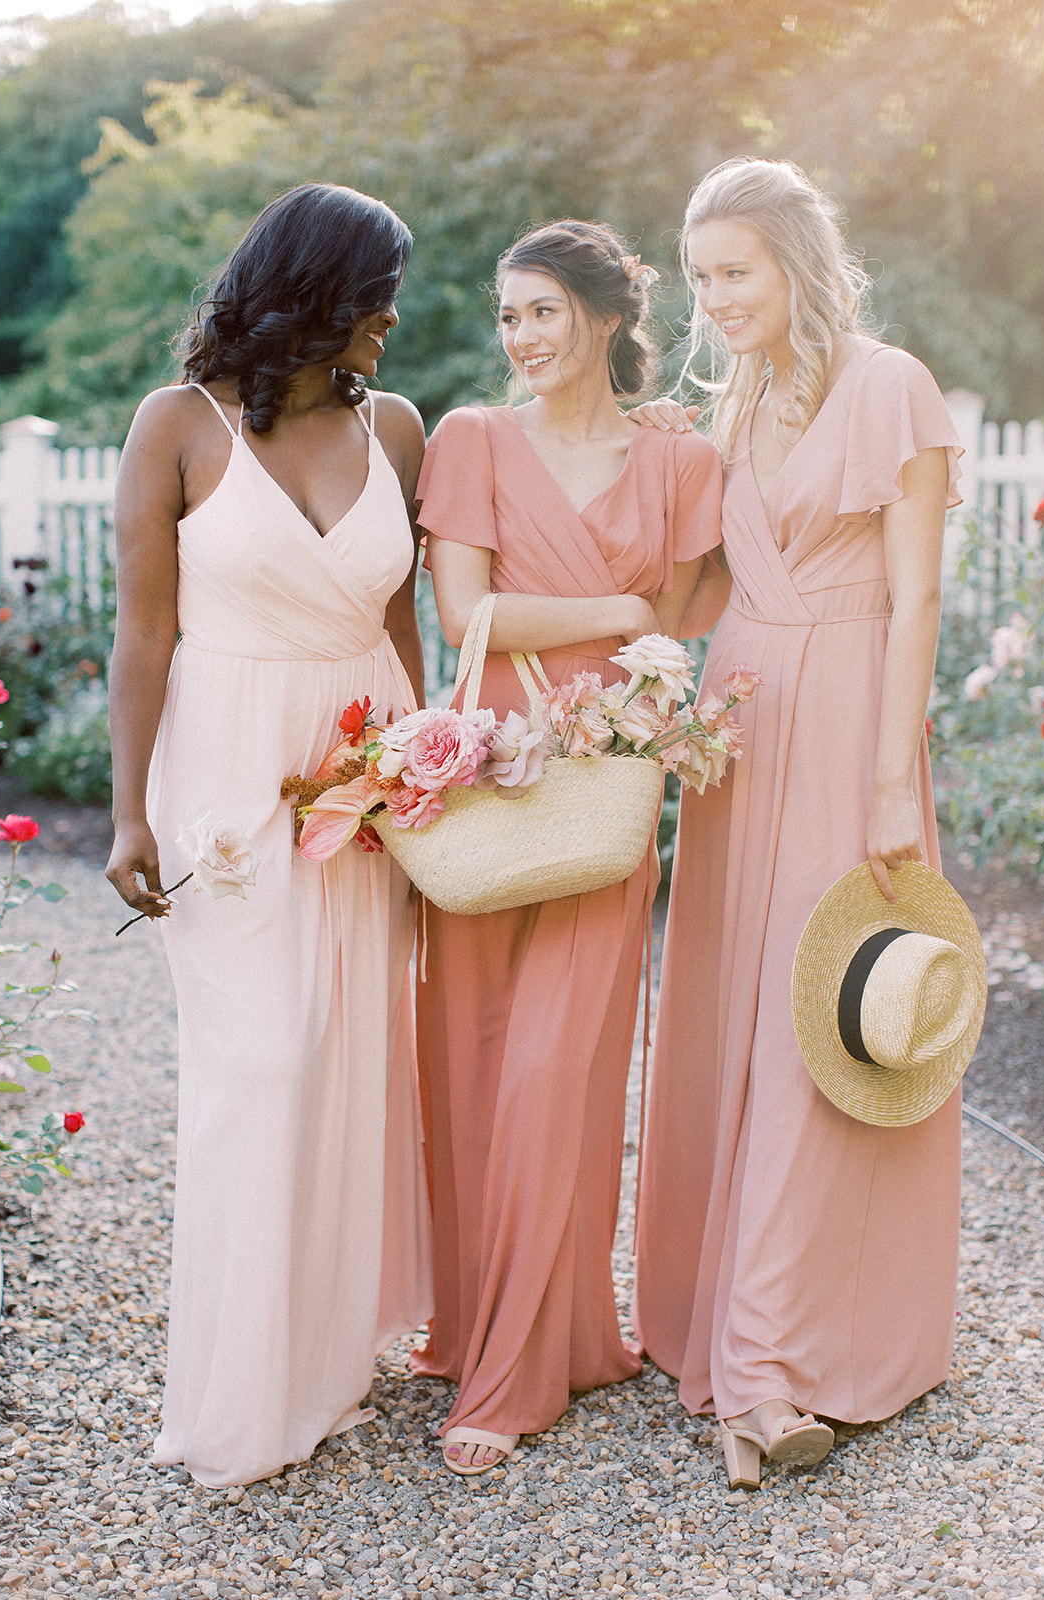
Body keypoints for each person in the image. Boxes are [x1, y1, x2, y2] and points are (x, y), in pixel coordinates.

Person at [631, 157, 964, 1487]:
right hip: (741, 717)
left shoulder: (892, 384)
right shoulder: (737, 398)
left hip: (846, 729)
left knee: (816, 1028)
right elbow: (702, 586)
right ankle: (722, 1312)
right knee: (732, 1015)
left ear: (796, 264)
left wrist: (892, 781)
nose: (716, 301)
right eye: (702, 277)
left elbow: (918, 602)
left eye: (736, 273)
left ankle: (769, 1367)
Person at [105, 183, 432, 1488]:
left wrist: (432, 763)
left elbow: (404, 619)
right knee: (267, 1063)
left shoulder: (397, 426)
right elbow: (143, 633)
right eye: (380, 295)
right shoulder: (174, 428)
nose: (395, 320)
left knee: (353, 1049)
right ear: (321, 295)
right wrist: (128, 806)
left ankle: (329, 1364)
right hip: (230, 771)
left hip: (366, 765)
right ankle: (239, 1393)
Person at [413, 220, 724, 1475]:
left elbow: (699, 612)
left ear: (601, 319)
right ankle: (500, 1323)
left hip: (608, 787)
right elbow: (462, 611)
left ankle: (519, 1372)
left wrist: (647, 665)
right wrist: (615, 609)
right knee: (476, 1066)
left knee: (563, 1069)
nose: (521, 338)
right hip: (489, 778)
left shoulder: (681, 458)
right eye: (507, 315)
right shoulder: (471, 440)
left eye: (542, 311)